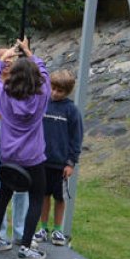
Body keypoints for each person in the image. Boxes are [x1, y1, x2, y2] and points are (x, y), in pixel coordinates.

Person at [0, 38, 51, 259]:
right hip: (33, 158)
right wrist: (28, 52)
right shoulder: (42, 94)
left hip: (9, 156)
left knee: (4, 194)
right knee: (35, 199)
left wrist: (3, 59)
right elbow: (44, 72)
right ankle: (25, 247)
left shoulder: (2, 94)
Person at [37, 70, 83, 247]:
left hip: (61, 163)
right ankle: (43, 228)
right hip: (41, 160)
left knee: (60, 198)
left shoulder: (71, 111)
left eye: (60, 91)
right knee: (43, 195)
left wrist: (71, 162)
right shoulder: (43, 104)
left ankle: (57, 229)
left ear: (67, 92)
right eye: (53, 88)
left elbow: (76, 138)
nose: (55, 93)